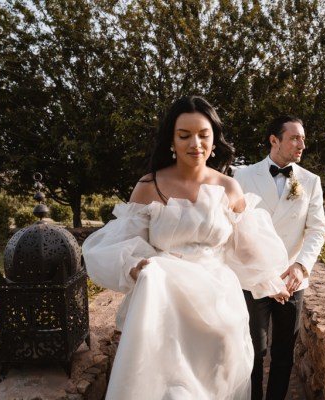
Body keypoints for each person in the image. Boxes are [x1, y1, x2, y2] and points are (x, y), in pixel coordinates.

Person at [82, 96, 291, 400]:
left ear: (214, 139)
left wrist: (270, 280)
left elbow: (245, 246)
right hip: (165, 303)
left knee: (216, 384)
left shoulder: (229, 188)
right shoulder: (149, 186)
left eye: (203, 135)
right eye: (184, 135)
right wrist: (136, 265)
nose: (195, 143)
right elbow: (123, 241)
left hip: (218, 304)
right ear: (171, 140)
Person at [233, 115, 325, 400]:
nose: (301, 145)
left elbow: (317, 230)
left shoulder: (310, 181)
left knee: (283, 353)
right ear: (274, 140)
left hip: (291, 280)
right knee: (253, 350)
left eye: (303, 140)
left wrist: (301, 266)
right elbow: (233, 227)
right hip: (251, 279)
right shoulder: (241, 176)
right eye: (295, 138)